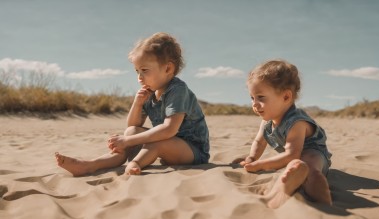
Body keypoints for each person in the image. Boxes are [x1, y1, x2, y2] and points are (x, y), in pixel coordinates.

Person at [55, 32, 210, 176]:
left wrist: (127, 141)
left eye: (144, 70)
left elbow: (169, 130)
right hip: (171, 147)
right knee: (131, 131)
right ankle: (91, 165)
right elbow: (132, 126)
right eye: (137, 71)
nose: (139, 77)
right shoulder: (149, 92)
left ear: (168, 68)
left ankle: (135, 163)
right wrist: (137, 104)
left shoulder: (177, 90)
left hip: (193, 152)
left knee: (155, 142)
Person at [234, 59, 332, 208]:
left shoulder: (297, 122)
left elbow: (292, 154)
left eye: (261, 97)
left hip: (314, 153)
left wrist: (259, 165)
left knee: (309, 164)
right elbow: (259, 142)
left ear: (286, 97)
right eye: (252, 98)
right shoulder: (267, 121)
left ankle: (320, 196)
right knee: (295, 165)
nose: (254, 104)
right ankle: (289, 181)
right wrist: (252, 157)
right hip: (293, 158)